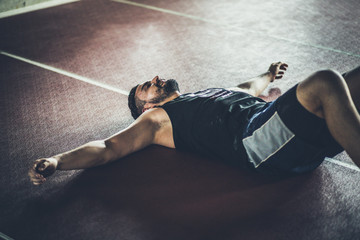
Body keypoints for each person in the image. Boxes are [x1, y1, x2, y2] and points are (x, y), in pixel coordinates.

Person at [29, 62, 360, 185]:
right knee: (326, 80)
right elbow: (107, 148)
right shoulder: (158, 120)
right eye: (148, 86)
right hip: (256, 143)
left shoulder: (208, 94)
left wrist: (269, 74)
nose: (156, 78)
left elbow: (248, 88)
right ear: (146, 107)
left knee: (354, 80)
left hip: (289, 136)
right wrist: (58, 161)